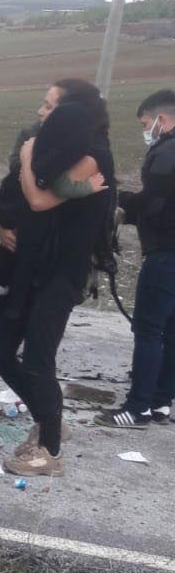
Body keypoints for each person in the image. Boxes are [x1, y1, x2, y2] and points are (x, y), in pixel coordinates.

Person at [0, 78, 115, 476]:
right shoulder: (54, 149)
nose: (41, 112)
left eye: (49, 106)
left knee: (39, 360)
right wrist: (3, 224)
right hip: (28, 268)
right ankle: (49, 417)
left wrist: (26, 158)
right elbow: (16, 194)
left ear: (72, 114)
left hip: (59, 274)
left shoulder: (92, 156)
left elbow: (40, 199)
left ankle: (50, 452)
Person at [97, 88, 175, 429]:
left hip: (166, 254)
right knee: (170, 331)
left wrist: (120, 203)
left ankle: (138, 407)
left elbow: (157, 205)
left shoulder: (166, 154)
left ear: (162, 118)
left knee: (148, 329)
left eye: (147, 122)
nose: (147, 129)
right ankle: (161, 402)